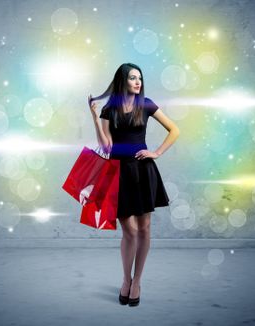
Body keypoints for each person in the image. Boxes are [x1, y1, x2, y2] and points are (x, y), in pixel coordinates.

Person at [88, 63, 180, 307]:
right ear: (122, 80)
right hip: (118, 172)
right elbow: (106, 146)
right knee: (129, 231)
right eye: (132, 78)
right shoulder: (110, 108)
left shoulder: (146, 103)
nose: (138, 82)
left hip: (142, 171)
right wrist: (96, 119)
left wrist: (157, 152)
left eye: (139, 78)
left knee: (145, 229)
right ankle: (125, 280)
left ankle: (137, 281)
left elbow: (174, 129)